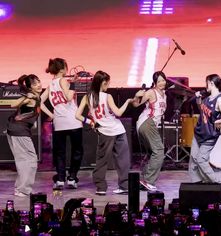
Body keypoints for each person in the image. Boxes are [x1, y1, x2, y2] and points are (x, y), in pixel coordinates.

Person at [76, 70, 132, 195]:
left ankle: (101, 187)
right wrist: (127, 102)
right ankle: (124, 186)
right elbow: (118, 113)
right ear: (103, 83)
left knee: (102, 160)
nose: (109, 85)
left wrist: (90, 122)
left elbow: (77, 115)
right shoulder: (107, 97)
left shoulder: (87, 97)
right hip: (118, 130)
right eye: (108, 83)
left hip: (105, 132)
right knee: (123, 160)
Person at [41, 58, 83, 190]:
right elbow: (69, 97)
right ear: (62, 69)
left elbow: (39, 101)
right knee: (77, 151)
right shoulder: (63, 81)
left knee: (60, 152)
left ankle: (60, 179)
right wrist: (74, 86)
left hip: (59, 123)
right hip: (73, 121)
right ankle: (71, 178)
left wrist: (52, 114)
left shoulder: (51, 84)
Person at [189, 74, 221, 183]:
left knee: (201, 160)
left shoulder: (219, 99)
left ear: (211, 83)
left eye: (206, 82)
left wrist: (217, 121)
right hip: (199, 132)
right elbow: (201, 109)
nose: (205, 85)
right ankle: (197, 184)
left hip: (209, 136)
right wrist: (198, 98)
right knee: (193, 160)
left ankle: (216, 183)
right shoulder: (207, 99)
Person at [7, 74, 42, 197]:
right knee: (30, 160)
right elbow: (13, 105)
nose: (39, 85)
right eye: (35, 84)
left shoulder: (38, 96)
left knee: (24, 160)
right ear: (29, 87)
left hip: (16, 130)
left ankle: (21, 188)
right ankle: (22, 189)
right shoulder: (29, 98)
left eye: (39, 82)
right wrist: (26, 96)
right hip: (19, 131)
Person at [132, 71, 167, 191]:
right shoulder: (151, 92)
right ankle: (148, 180)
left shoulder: (164, 94)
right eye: (159, 81)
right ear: (155, 83)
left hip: (148, 125)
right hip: (147, 122)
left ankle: (144, 179)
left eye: (163, 80)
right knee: (159, 151)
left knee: (153, 152)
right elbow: (136, 104)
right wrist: (137, 96)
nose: (162, 83)